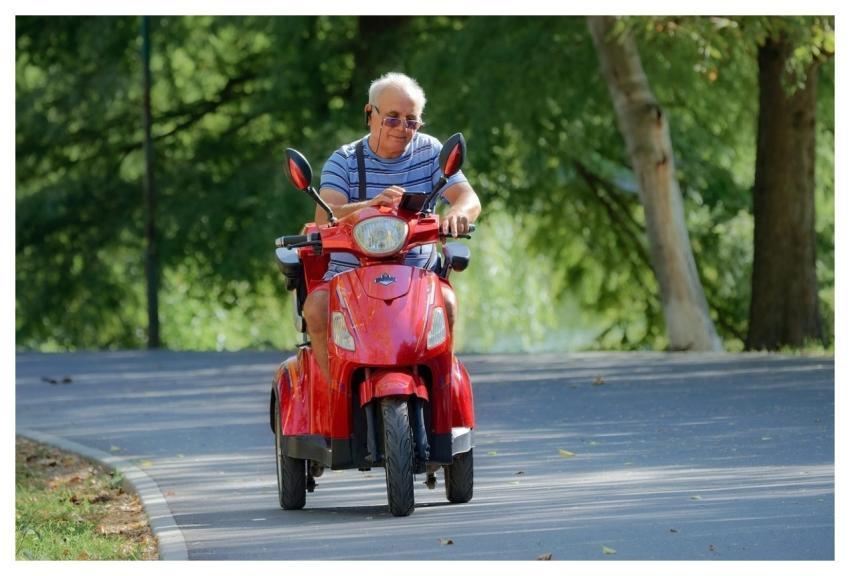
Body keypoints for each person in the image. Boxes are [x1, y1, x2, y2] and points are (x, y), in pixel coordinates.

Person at [302, 72, 482, 385]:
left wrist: (458, 212)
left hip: (418, 275)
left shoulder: (430, 152)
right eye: (393, 118)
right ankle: (336, 391)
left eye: (411, 120)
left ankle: (442, 392)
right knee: (316, 308)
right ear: (370, 114)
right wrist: (371, 204)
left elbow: (468, 198)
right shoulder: (343, 160)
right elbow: (326, 215)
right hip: (349, 277)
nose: (402, 128)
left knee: (448, 301)